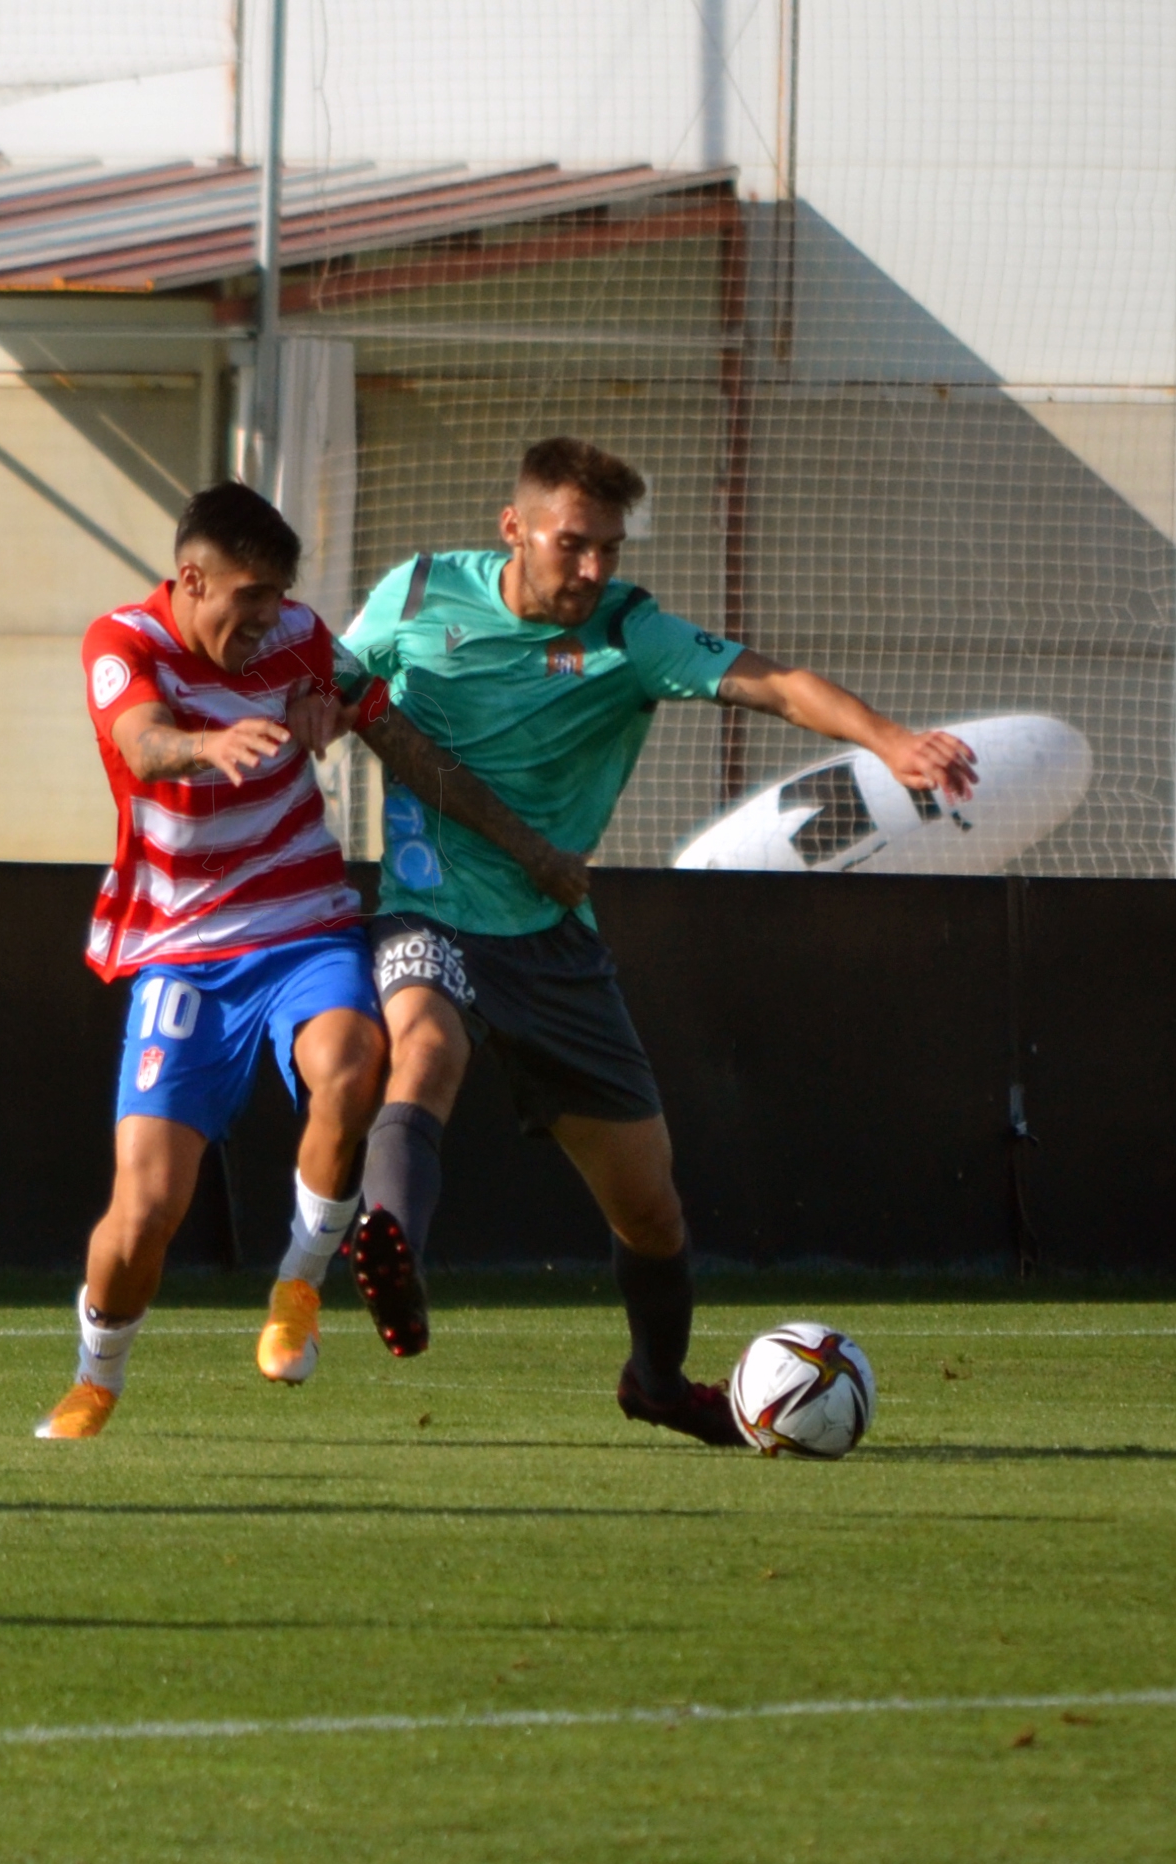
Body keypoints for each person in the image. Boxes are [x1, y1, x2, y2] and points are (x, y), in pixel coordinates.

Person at [338, 436, 977, 1443]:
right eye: (572, 544)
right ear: (514, 528)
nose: (592, 569)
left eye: (608, 548)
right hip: (429, 906)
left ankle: (655, 1378)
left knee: (650, 1210)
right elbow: (326, 685)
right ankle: (392, 1248)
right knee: (424, 1046)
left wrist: (890, 740)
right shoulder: (415, 594)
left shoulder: (629, 630)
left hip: (554, 938)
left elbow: (772, 681)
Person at [39, 484, 395, 1439]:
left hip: (302, 923)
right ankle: (96, 1377)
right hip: (185, 955)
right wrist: (207, 743)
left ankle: (298, 1289)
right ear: (192, 579)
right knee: (147, 1208)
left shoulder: (298, 634)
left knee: (354, 1067)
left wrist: (334, 711)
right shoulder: (123, 642)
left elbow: (357, 691)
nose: (268, 619)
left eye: (280, 597)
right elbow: (142, 745)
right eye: (251, 598)